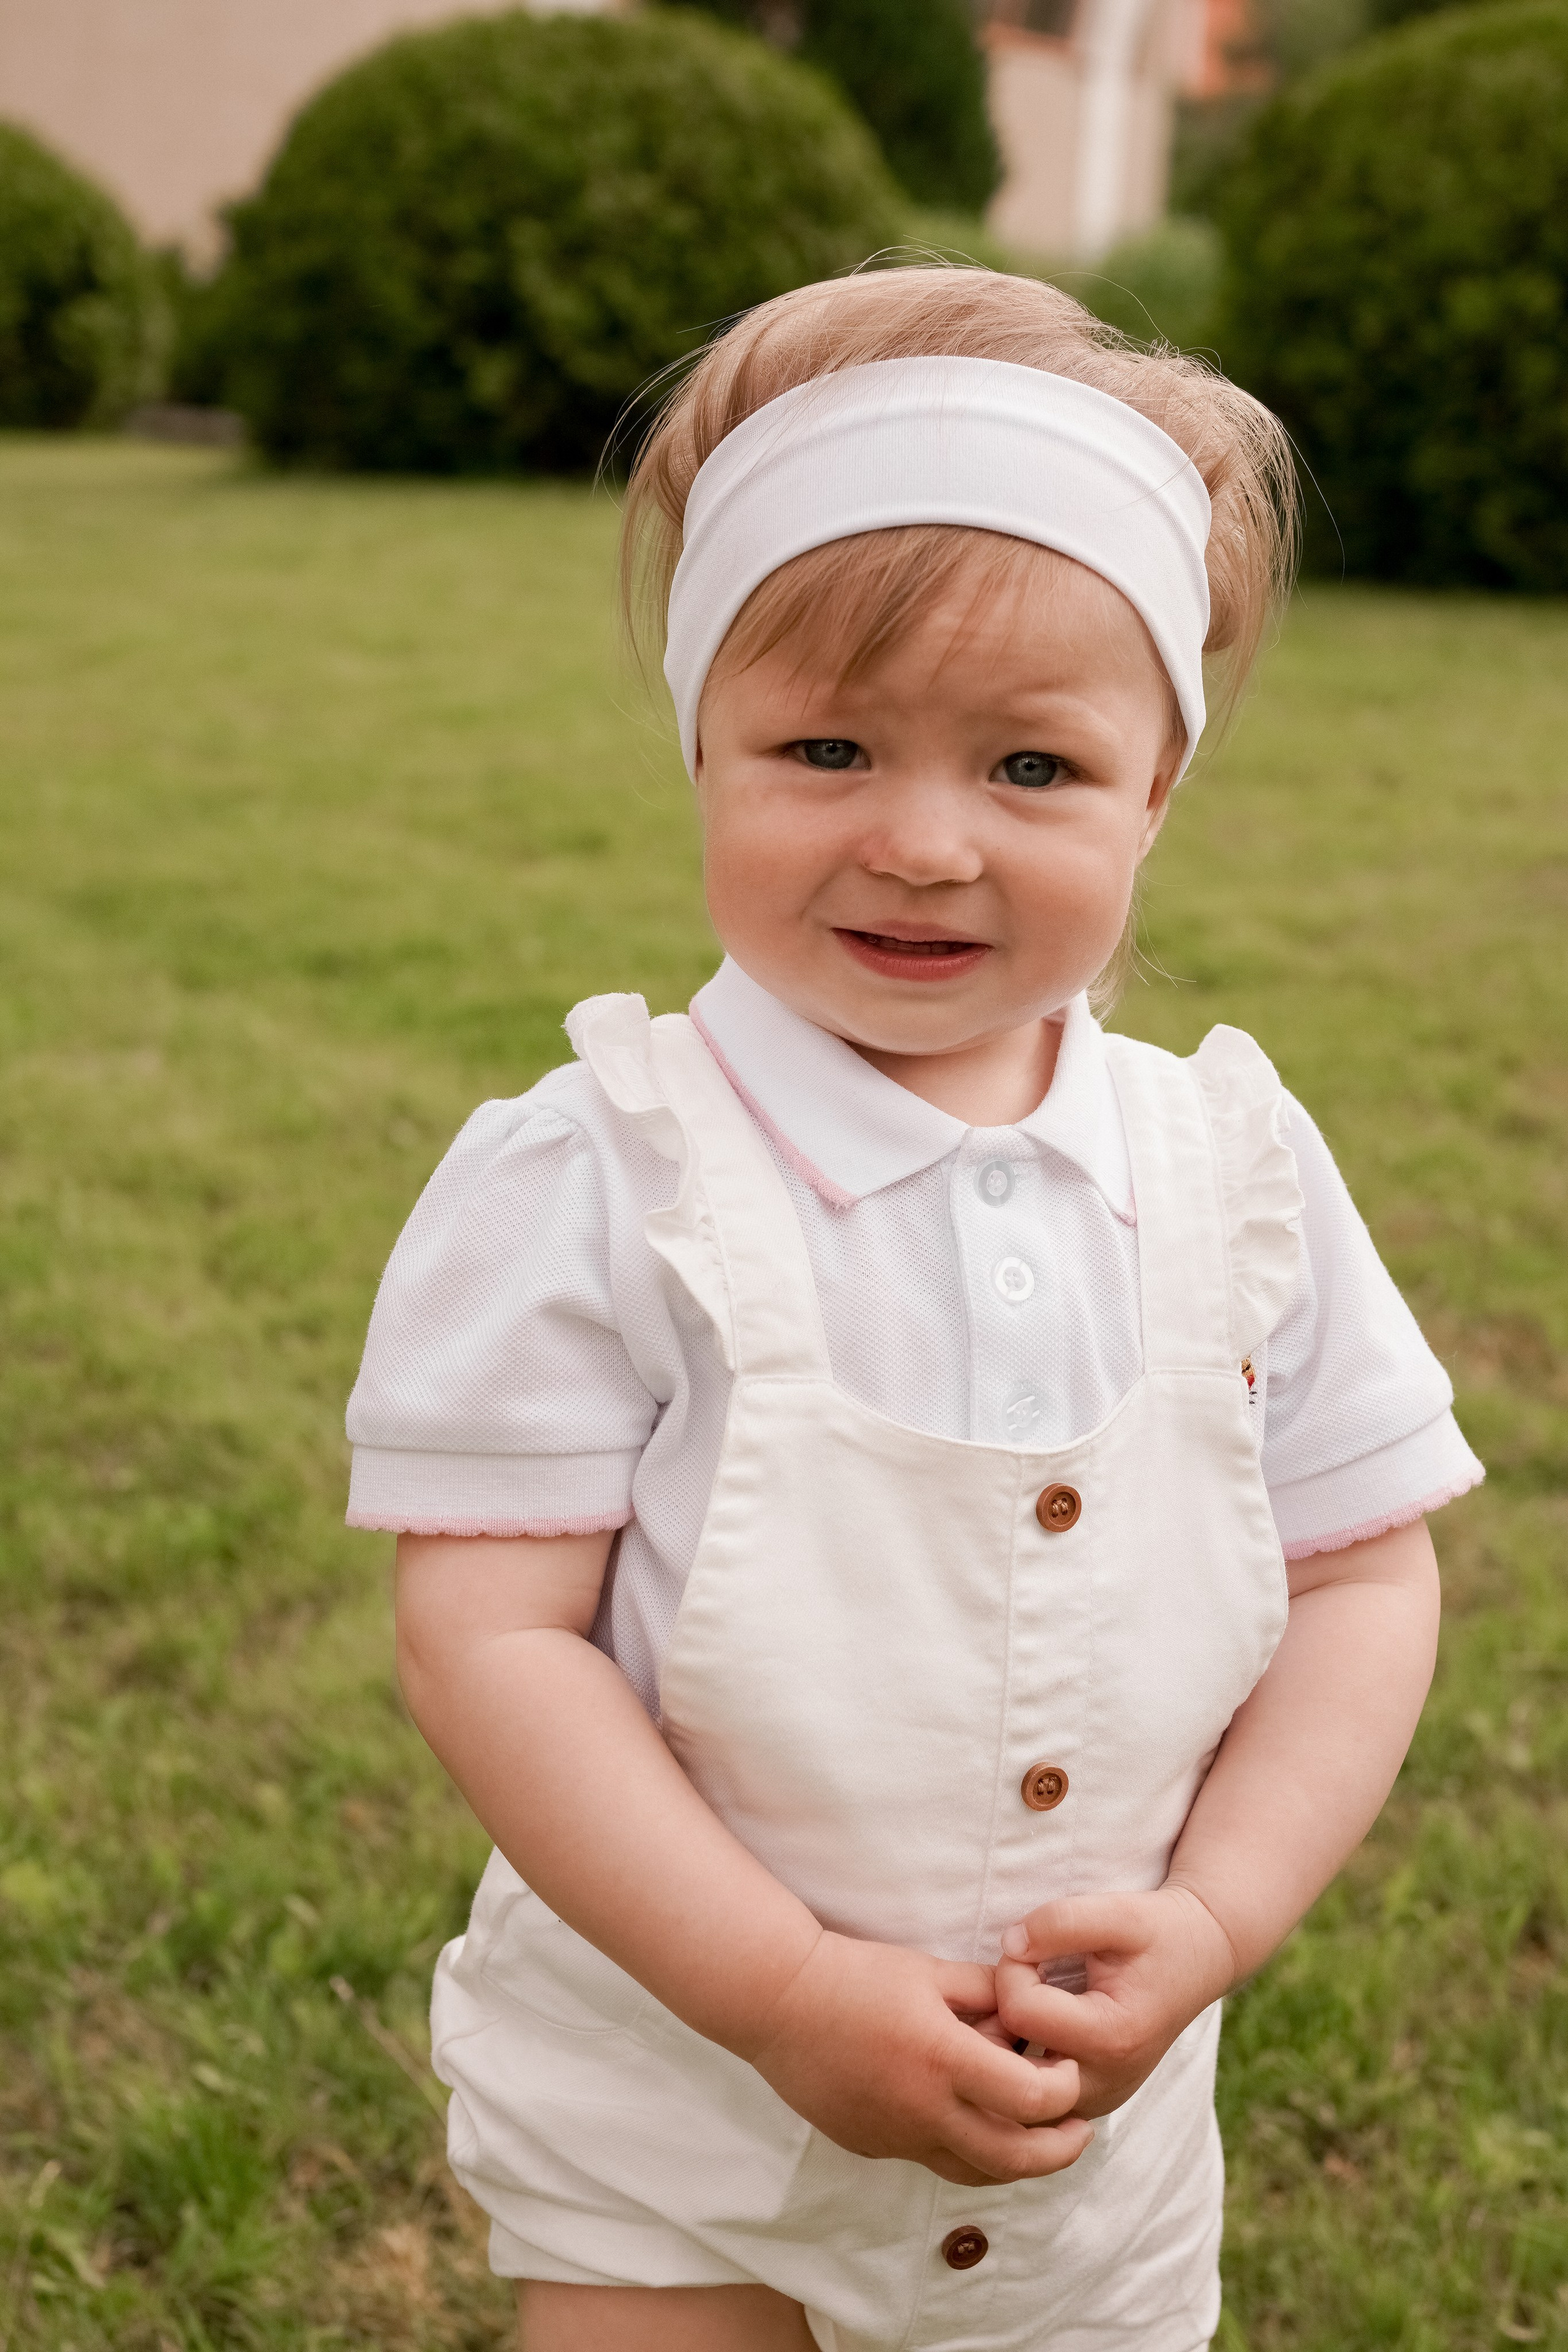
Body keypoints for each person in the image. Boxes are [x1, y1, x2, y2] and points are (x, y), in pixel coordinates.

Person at [345, 267, 1483, 2352]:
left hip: (1090, 2154)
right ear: (704, 740)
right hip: (674, 2123)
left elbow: (1364, 1577)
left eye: (1035, 767)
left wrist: (1218, 1916)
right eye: (827, 747)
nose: (924, 842)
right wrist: (780, 1992)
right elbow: (487, 1634)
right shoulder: (597, 1172)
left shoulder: (1228, 1167)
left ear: (1160, 795)